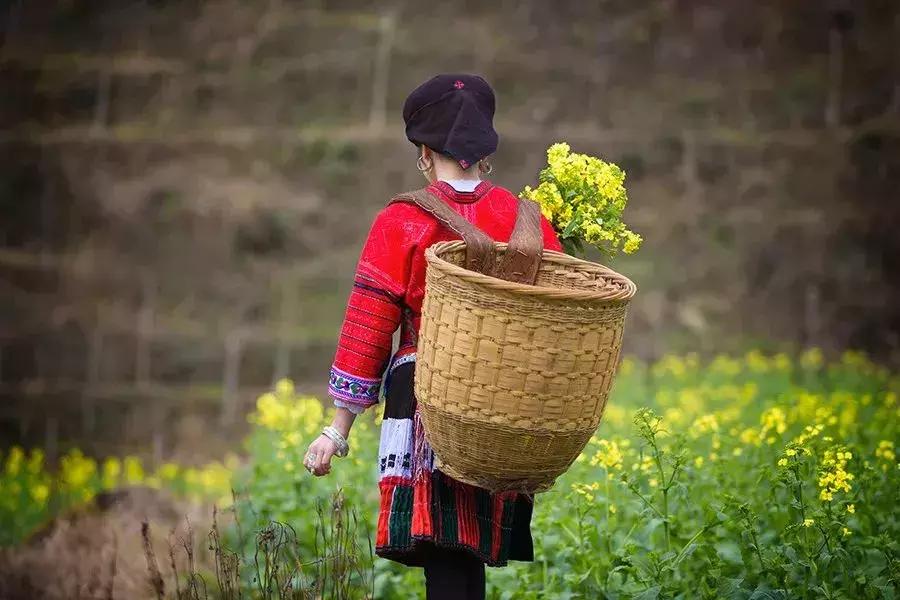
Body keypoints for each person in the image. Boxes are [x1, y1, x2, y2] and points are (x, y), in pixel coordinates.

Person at [304, 73, 563, 600]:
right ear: (484, 147)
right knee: (466, 563)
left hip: (431, 397)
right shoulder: (528, 221)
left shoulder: (401, 221)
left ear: (425, 151)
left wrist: (336, 431)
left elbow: (369, 327)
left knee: (446, 560)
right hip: (502, 401)